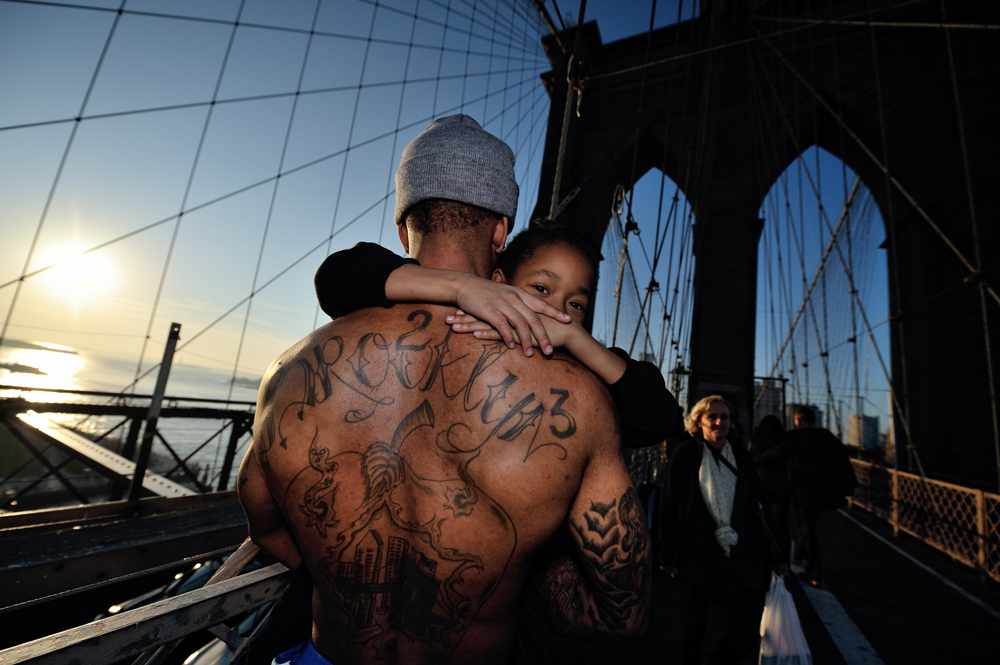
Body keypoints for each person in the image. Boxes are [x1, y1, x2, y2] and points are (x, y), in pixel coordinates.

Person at [238, 115, 650, 665]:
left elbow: (267, 528)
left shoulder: (291, 371)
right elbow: (621, 612)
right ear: (502, 230)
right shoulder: (579, 401)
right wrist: (511, 580)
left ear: (404, 229)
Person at [313, 225, 679, 450]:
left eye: (576, 304)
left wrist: (575, 338)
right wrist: (462, 287)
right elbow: (337, 276)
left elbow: (661, 419)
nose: (559, 311)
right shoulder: (464, 328)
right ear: (500, 286)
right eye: (540, 288)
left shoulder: (583, 371)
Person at [660, 396, 784, 665]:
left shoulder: (741, 455)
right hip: (697, 554)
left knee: (746, 635)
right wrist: (668, 556)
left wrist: (777, 555)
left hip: (741, 554)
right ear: (698, 422)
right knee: (694, 629)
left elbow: (760, 503)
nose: (719, 422)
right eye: (712, 417)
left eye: (724, 417)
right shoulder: (686, 454)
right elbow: (669, 506)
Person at [787, 405, 856, 586]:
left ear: (798, 421)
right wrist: (848, 488)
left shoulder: (792, 437)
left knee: (807, 528)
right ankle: (798, 554)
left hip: (801, 491)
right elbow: (843, 464)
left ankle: (814, 574)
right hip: (824, 492)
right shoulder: (828, 438)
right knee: (808, 525)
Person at [749, 415, 793, 560]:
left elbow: (751, 460)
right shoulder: (785, 441)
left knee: (758, 524)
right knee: (781, 525)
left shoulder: (756, 440)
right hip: (781, 487)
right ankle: (782, 562)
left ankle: (761, 559)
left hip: (760, 486)